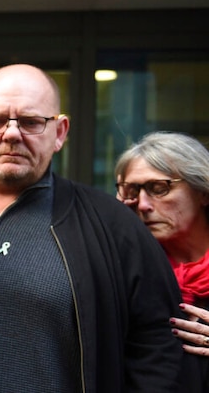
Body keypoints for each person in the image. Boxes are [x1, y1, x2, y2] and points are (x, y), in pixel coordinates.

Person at [0, 64, 186, 392]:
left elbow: (158, 349)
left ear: (60, 132)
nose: (11, 134)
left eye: (31, 122)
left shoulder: (113, 226)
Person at [115, 131, 209, 388]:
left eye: (160, 189)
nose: (143, 205)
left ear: (203, 192)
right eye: (133, 191)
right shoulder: (123, 271)